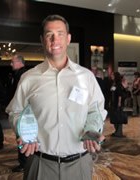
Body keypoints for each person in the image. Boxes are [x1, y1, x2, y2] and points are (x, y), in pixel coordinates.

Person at [6, 14, 107, 180]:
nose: (55, 40)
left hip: (79, 164)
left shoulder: (86, 77)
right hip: (40, 164)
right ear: (42, 40)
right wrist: (24, 133)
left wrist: (92, 129)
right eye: (49, 35)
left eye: (60, 34)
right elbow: (15, 111)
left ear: (68, 38)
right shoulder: (29, 78)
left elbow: (96, 110)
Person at [7, 54, 28, 172]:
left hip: (21, 112)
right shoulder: (18, 75)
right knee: (20, 137)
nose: (11, 64)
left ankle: (24, 163)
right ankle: (23, 161)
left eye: (12, 62)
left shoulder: (23, 75)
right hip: (20, 112)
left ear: (20, 62)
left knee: (21, 137)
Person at [109, 72, 128, 137]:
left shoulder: (118, 84)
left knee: (119, 118)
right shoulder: (114, 83)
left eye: (112, 75)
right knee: (115, 118)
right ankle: (116, 131)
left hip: (117, 104)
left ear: (115, 76)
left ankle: (119, 133)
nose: (111, 76)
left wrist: (119, 103)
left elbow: (120, 95)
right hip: (113, 103)